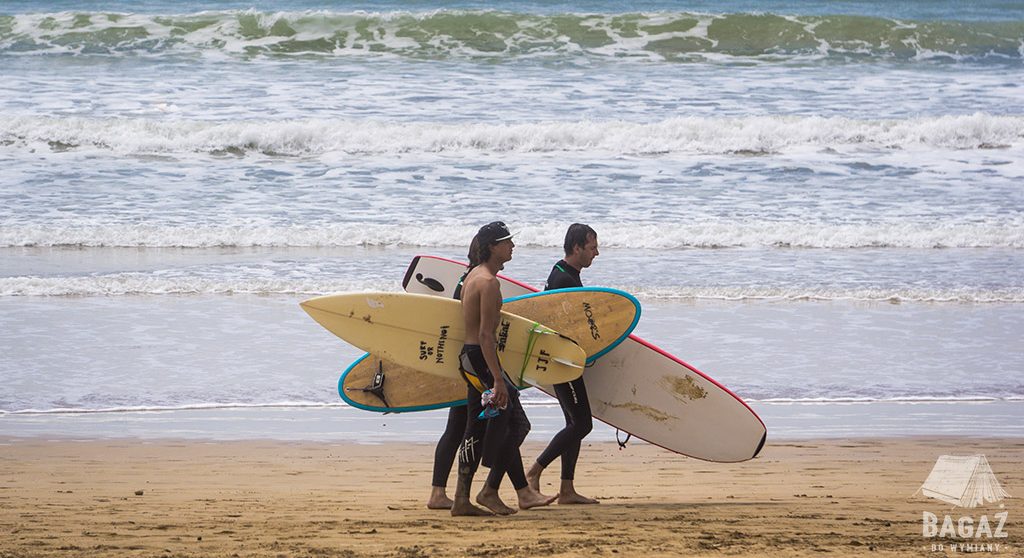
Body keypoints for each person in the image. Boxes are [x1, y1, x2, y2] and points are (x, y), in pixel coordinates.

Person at [451, 221, 556, 516]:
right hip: (480, 360)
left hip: (472, 359)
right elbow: (485, 334)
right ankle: (488, 490)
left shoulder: (474, 275)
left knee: (478, 426)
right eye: (507, 242)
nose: (512, 246)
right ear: (493, 247)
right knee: (517, 424)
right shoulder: (486, 282)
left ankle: (466, 497)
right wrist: (498, 379)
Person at [527, 223, 601, 504]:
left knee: (574, 421)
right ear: (577, 248)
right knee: (582, 424)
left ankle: (567, 489)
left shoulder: (565, 273)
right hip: (561, 363)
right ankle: (534, 471)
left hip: (566, 360)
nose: (597, 253)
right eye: (592, 248)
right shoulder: (563, 281)